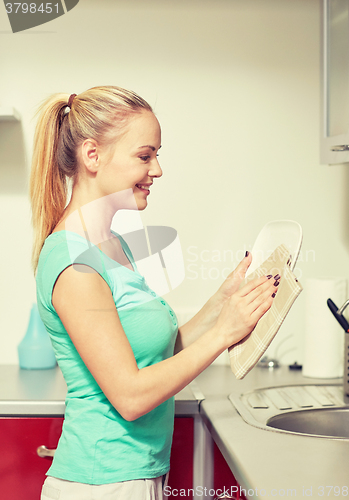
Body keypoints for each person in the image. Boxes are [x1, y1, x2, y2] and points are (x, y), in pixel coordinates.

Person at [29, 86, 279, 500]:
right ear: (92, 155)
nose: (157, 169)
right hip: (101, 482)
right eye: (145, 156)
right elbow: (129, 395)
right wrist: (223, 334)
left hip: (133, 477)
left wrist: (223, 301)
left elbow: (161, 352)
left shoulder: (112, 244)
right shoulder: (73, 262)